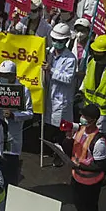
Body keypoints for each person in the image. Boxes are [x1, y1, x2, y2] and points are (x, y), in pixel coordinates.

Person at [67, 103, 106, 211]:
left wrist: (79, 166)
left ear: (93, 120)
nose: (82, 119)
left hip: (91, 182)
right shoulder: (80, 131)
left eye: (85, 117)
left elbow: (99, 166)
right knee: (79, 205)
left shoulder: (99, 142)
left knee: (90, 209)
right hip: (77, 178)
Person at [44, 23, 77, 166]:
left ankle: (61, 157)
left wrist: (51, 70)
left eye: (60, 41)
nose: (57, 43)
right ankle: (51, 151)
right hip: (49, 98)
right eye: (55, 40)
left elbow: (68, 78)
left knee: (61, 131)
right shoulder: (49, 53)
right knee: (49, 129)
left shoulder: (70, 58)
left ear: (66, 41)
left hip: (61, 100)